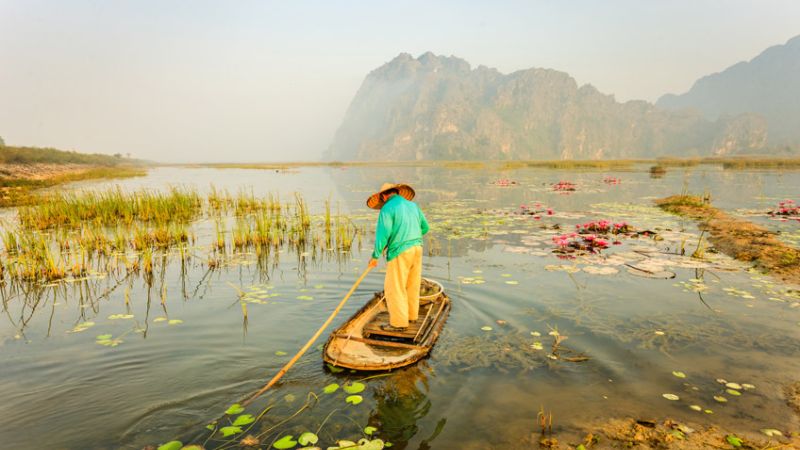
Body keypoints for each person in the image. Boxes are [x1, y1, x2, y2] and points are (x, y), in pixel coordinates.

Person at [367, 183, 429, 332]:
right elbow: (425, 227)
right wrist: (411, 237)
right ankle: (412, 315)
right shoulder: (413, 206)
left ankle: (399, 324)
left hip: (400, 251)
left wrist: (375, 256)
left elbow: (383, 235)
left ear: (383, 195)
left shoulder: (387, 208)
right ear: (397, 192)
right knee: (412, 284)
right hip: (417, 248)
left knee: (395, 287)